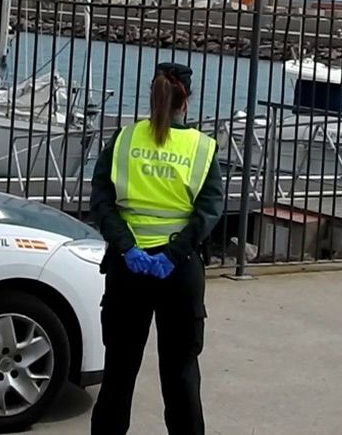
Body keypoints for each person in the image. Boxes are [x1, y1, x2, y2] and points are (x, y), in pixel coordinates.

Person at [88, 62, 224, 435]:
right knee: (181, 377)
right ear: (187, 102)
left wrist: (127, 246)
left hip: (127, 269)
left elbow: (101, 201)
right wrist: (174, 252)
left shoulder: (123, 140)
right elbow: (209, 211)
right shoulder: (202, 148)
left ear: (152, 97)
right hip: (177, 272)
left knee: (118, 375)